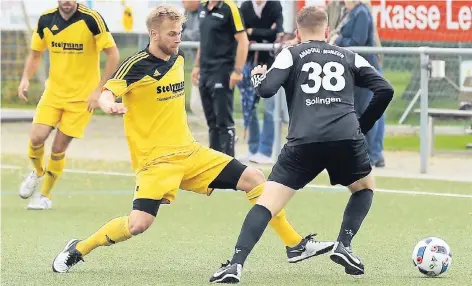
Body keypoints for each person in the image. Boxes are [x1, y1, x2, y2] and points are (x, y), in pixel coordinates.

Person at [51, 6, 333, 274]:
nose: (178, 39)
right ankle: (79, 248)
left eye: (180, 33)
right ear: (154, 34)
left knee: (255, 178)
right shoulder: (137, 65)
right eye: (171, 34)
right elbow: (108, 91)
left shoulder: (179, 58)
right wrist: (108, 104)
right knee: (138, 224)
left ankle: (295, 245)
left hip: (190, 154)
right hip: (156, 164)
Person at [210, 6, 394, 283]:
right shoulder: (348, 55)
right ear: (328, 31)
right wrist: (361, 126)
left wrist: (258, 76)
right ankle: (344, 244)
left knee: (266, 204)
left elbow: (267, 90)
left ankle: (235, 264)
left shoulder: (291, 53)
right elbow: (385, 89)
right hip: (346, 138)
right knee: (364, 188)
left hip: (303, 142)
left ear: (297, 33)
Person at [17, 0, 119, 210]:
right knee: (36, 138)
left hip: (82, 99)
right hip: (53, 93)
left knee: (58, 147)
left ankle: (45, 195)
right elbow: (36, 53)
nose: (66, 2)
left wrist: (99, 90)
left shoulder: (92, 19)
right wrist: (26, 78)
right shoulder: (46, 19)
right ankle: (37, 172)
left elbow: (113, 54)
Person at [191, 0, 249, 157]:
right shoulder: (203, 7)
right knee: (212, 123)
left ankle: (230, 166)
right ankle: (214, 164)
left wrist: (238, 70)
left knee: (224, 121)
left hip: (222, 71)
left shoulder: (230, 8)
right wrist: (197, 66)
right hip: (205, 71)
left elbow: (243, 41)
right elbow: (204, 41)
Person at [332, 0, 385, 167]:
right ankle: (360, 153)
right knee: (354, 112)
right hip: (352, 71)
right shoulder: (349, 12)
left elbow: (358, 42)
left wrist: (337, 39)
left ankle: (370, 154)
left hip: (364, 71)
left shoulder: (361, 12)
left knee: (365, 111)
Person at [237, 0, 284, 164]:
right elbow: (242, 33)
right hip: (248, 62)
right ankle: (253, 148)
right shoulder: (245, 7)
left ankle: (265, 150)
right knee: (249, 106)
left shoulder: (274, 5)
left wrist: (253, 31)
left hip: (270, 62)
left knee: (269, 107)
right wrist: (263, 32)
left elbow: (278, 32)